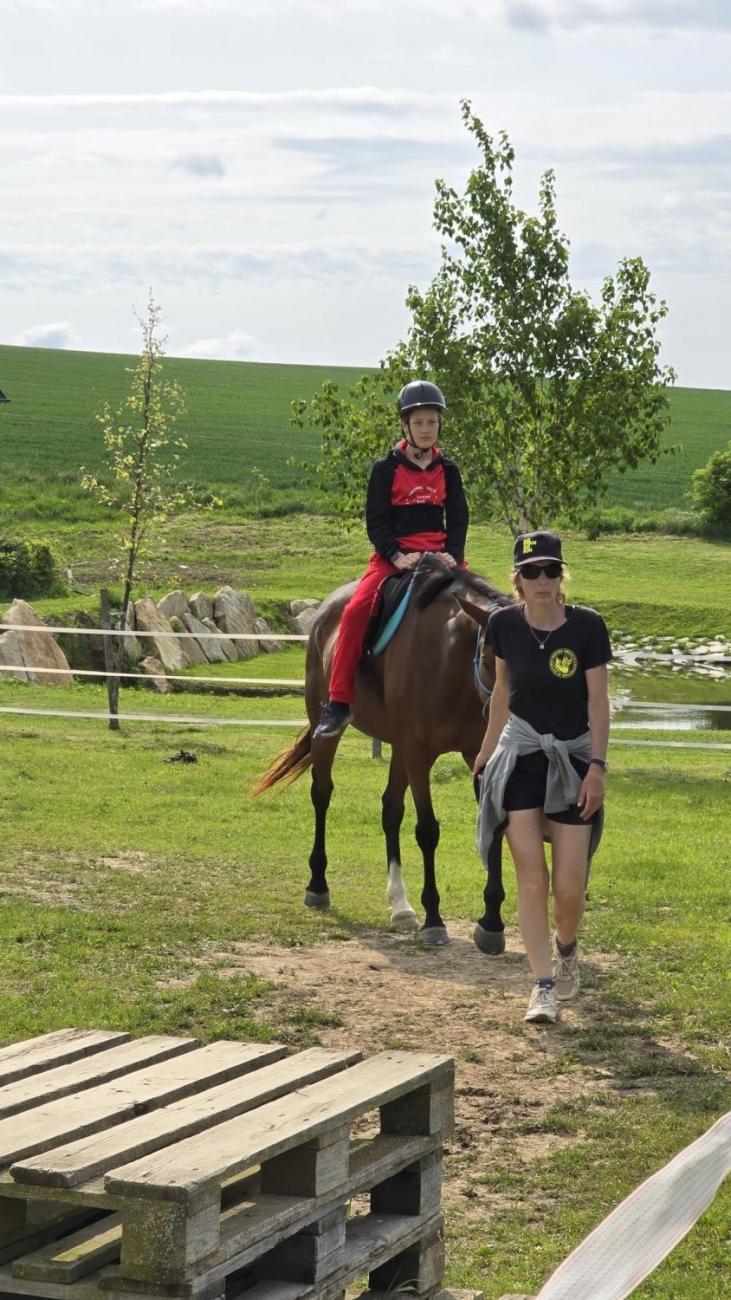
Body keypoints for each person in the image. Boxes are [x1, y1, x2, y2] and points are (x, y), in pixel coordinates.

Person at [473, 531, 611, 1024]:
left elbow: (598, 702)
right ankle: (542, 985)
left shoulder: (587, 627)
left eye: (550, 570)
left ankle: (566, 948)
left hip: (573, 759)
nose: (542, 581)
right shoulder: (503, 624)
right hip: (521, 757)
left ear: (562, 576)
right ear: (518, 579)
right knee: (532, 879)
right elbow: (503, 692)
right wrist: (488, 755)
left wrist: (597, 766)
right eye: (531, 572)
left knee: (569, 886)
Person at [314, 380, 469, 739]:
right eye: (419, 423)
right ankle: (338, 703)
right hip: (394, 558)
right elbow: (376, 521)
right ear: (405, 426)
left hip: (440, 557)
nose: (427, 429)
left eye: (432, 422)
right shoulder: (386, 468)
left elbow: (459, 519)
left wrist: (453, 555)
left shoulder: (449, 470)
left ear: (439, 425)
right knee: (354, 611)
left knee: (480, 608)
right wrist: (396, 556)